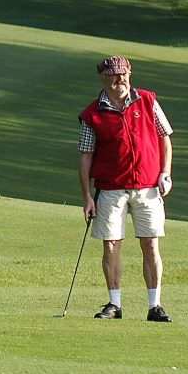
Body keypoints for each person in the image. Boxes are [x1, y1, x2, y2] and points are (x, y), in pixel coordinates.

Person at [77, 54, 174, 321]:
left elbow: (165, 137)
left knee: (151, 244)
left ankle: (155, 306)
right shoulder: (92, 114)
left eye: (124, 74)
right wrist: (87, 197)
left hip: (147, 186)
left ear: (129, 74)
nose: (120, 79)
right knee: (111, 246)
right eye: (114, 74)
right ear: (103, 77)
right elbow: (85, 155)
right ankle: (114, 304)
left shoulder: (147, 101)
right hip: (110, 188)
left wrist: (165, 172)